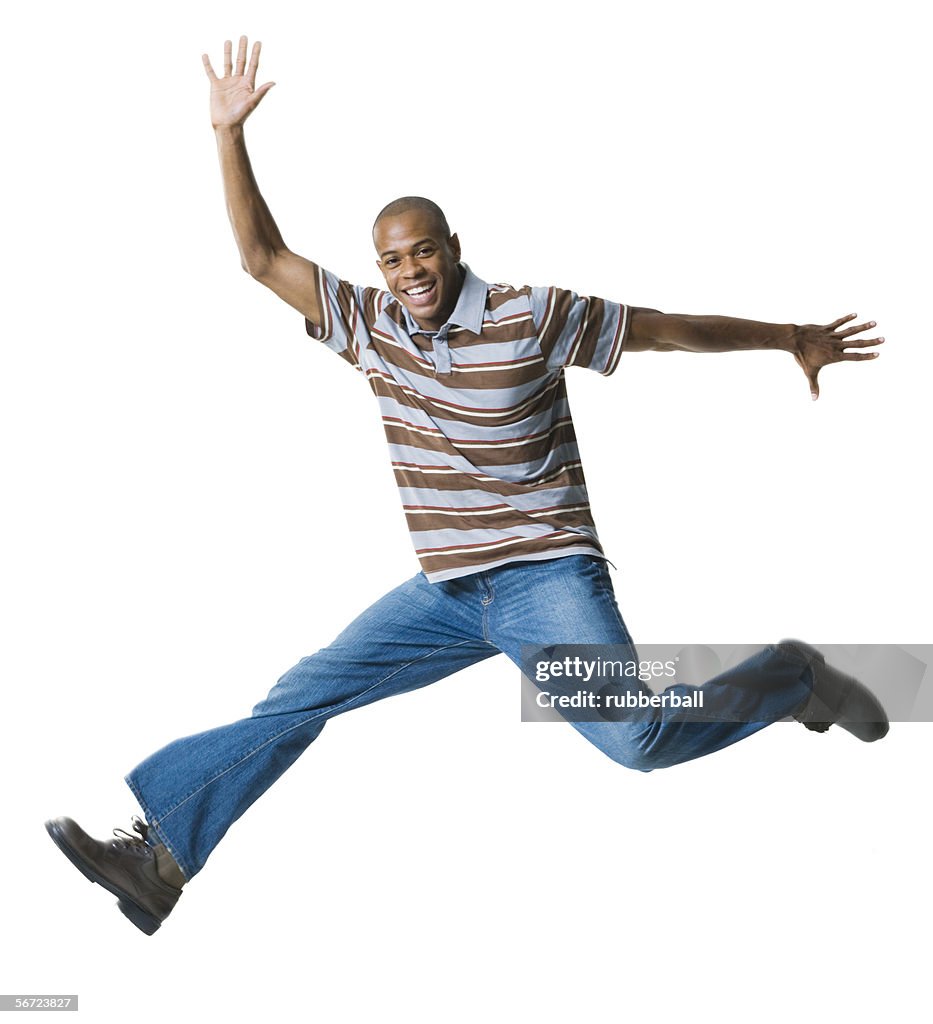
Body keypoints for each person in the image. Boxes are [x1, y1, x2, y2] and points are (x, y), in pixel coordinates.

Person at [45, 36, 889, 936]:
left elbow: (665, 330)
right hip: (445, 593)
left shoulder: (533, 315)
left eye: (420, 254)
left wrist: (789, 334)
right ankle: (162, 858)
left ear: (452, 247)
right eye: (391, 262)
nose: (408, 275)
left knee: (636, 741)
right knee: (300, 697)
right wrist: (227, 134)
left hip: (546, 580)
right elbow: (261, 258)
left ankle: (790, 677)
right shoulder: (371, 327)